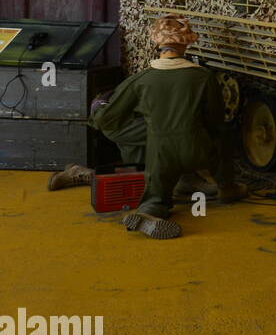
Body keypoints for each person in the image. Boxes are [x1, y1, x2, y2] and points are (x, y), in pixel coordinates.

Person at [46, 15, 245, 239]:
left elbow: (105, 120)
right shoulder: (204, 77)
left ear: (156, 42)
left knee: (153, 190)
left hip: (160, 155)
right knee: (218, 135)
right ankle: (225, 187)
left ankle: (148, 210)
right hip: (199, 151)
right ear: (186, 42)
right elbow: (216, 120)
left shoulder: (141, 80)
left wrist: (99, 106)